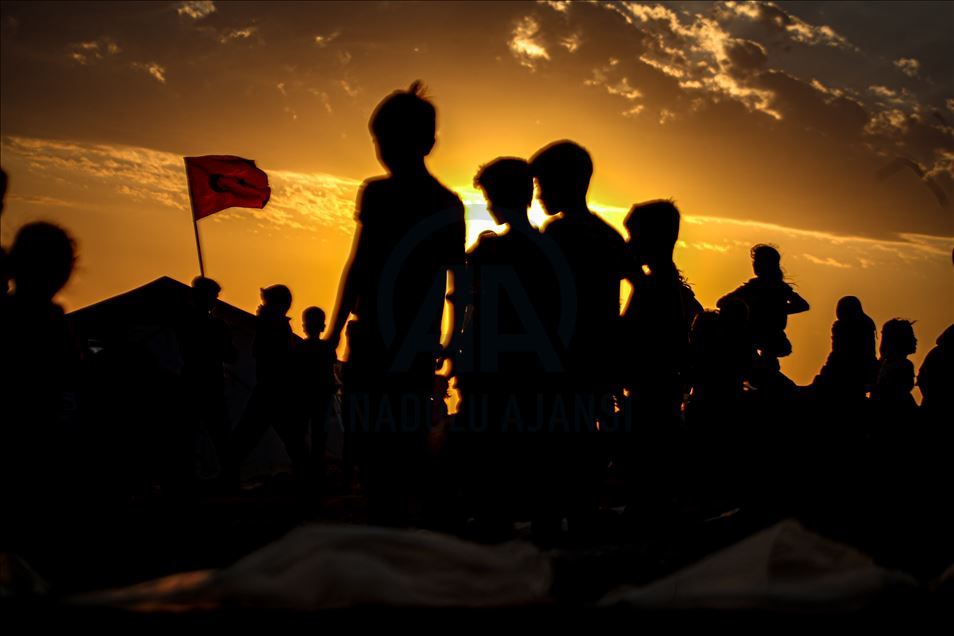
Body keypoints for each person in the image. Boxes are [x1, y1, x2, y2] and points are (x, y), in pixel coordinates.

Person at [324, 82, 466, 526]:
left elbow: (454, 277)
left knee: (392, 438)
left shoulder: (402, 198)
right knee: (380, 439)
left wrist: (453, 337)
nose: (383, 150)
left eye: (388, 140)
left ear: (424, 143)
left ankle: (394, 523)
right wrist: (333, 333)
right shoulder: (434, 201)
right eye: (379, 140)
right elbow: (360, 265)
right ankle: (389, 519)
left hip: (399, 341)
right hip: (389, 337)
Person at [528, 140, 629, 542]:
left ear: (566, 183)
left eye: (542, 184)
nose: (538, 195)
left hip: (559, 359)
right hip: (596, 359)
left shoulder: (557, 234)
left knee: (552, 452)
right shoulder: (609, 236)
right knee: (584, 446)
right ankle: (580, 523)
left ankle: (551, 531)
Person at [226, 285, 307, 485]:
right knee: (288, 437)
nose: (262, 305)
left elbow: (262, 353)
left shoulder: (273, 325)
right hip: (274, 388)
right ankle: (307, 475)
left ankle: (229, 475)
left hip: (271, 389)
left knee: (248, 435)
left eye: (267, 302)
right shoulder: (276, 325)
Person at [717, 244, 808, 388]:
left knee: (762, 370)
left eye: (757, 261)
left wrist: (775, 310)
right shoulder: (760, 287)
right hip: (756, 339)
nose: (754, 265)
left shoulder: (771, 288)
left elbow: (802, 305)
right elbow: (722, 303)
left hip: (766, 338)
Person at [177, 276, 236, 475]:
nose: (215, 301)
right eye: (214, 297)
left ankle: (190, 475)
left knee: (195, 433)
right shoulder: (207, 325)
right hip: (205, 383)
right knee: (210, 433)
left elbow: (230, 355)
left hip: (198, 382)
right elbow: (230, 355)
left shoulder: (191, 322)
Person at [295, 306, 337, 489]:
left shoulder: (300, 347)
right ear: (323, 326)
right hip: (320, 396)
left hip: (307, 396)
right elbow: (330, 374)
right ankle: (314, 473)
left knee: (304, 434)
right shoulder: (327, 348)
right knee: (318, 435)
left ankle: (306, 473)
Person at [813, 296, 878, 402]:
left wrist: (823, 376)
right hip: (863, 376)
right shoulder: (866, 325)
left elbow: (838, 355)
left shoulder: (842, 327)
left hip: (845, 376)